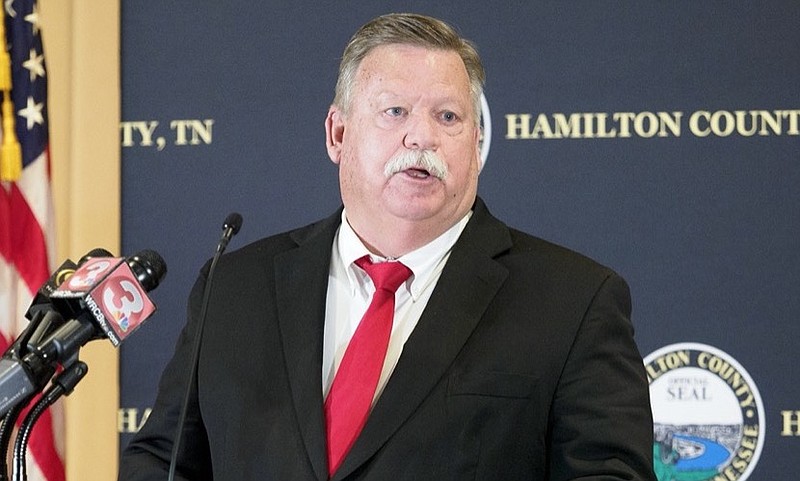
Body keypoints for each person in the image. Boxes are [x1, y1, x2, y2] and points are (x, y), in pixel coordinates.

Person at [119, 13, 656, 481]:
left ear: (476, 143)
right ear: (337, 134)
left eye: (448, 116)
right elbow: (163, 463)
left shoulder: (573, 302)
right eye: (394, 111)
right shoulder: (233, 290)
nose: (421, 137)